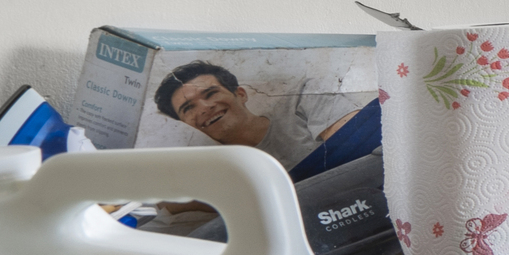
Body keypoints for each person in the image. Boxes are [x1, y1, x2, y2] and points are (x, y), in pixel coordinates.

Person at [154, 61, 379, 178]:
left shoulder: (303, 96)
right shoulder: (221, 174)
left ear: (240, 94)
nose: (205, 108)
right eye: (188, 108)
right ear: (185, 124)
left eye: (211, 93)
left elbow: (361, 152)